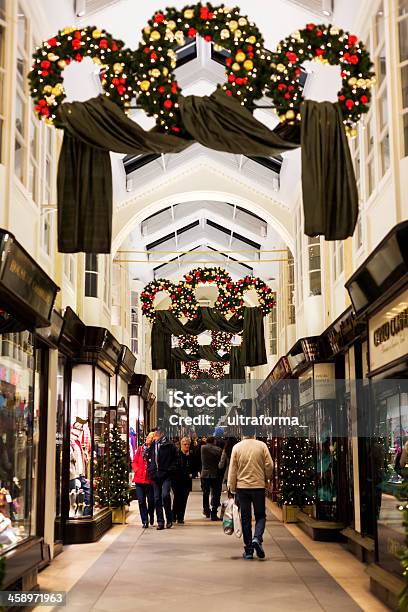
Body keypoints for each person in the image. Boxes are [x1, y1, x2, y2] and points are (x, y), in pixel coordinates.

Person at [227, 427, 273, 560]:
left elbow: (233, 469)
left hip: (242, 488)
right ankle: (257, 538)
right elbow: (269, 465)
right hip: (258, 487)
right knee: (260, 515)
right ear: (254, 433)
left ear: (242, 433)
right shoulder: (262, 446)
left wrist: (232, 487)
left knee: (245, 518)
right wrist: (266, 478)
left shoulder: (237, 447)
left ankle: (248, 550)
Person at [146, 428, 177, 530]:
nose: (154, 436)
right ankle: (160, 521)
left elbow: (175, 459)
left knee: (165, 495)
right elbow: (149, 459)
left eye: (156, 435)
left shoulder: (170, 445)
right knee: (157, 498)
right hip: (155, 475)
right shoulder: (153, 446)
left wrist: (170, 469)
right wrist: (150, 470)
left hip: (166, 475)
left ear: (161, 435)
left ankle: (169, 518)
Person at [132, 431, 155, 528]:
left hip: (150, 480)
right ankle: (145, 520)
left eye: (151, 438)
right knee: (141, 501)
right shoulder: (140, 449)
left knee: (151, 500)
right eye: (148, 437)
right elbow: (134, 462)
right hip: (139, 479)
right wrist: (137, 469)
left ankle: (151, 514)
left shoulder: (154, 451)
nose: (148, 439)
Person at [172, 437, 194, 524]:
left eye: (188, 444)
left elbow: (194, 466)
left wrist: (192, 473)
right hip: (177, 480)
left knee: (184, 499)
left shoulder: (191, 455)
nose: (186, 446)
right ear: (181, 445)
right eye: (185, 444)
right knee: (177, 498)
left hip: (187, 481)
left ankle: (181, 517)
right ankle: (174, 515)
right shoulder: (177, 454)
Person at [201, 435, 222, 520]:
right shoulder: (219, 450)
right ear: (214, 441)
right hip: (215, 474)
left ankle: (206, 511)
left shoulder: (203, 448)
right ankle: (214, 513)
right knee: (216, 494)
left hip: (205, 474)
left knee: (205, 493)